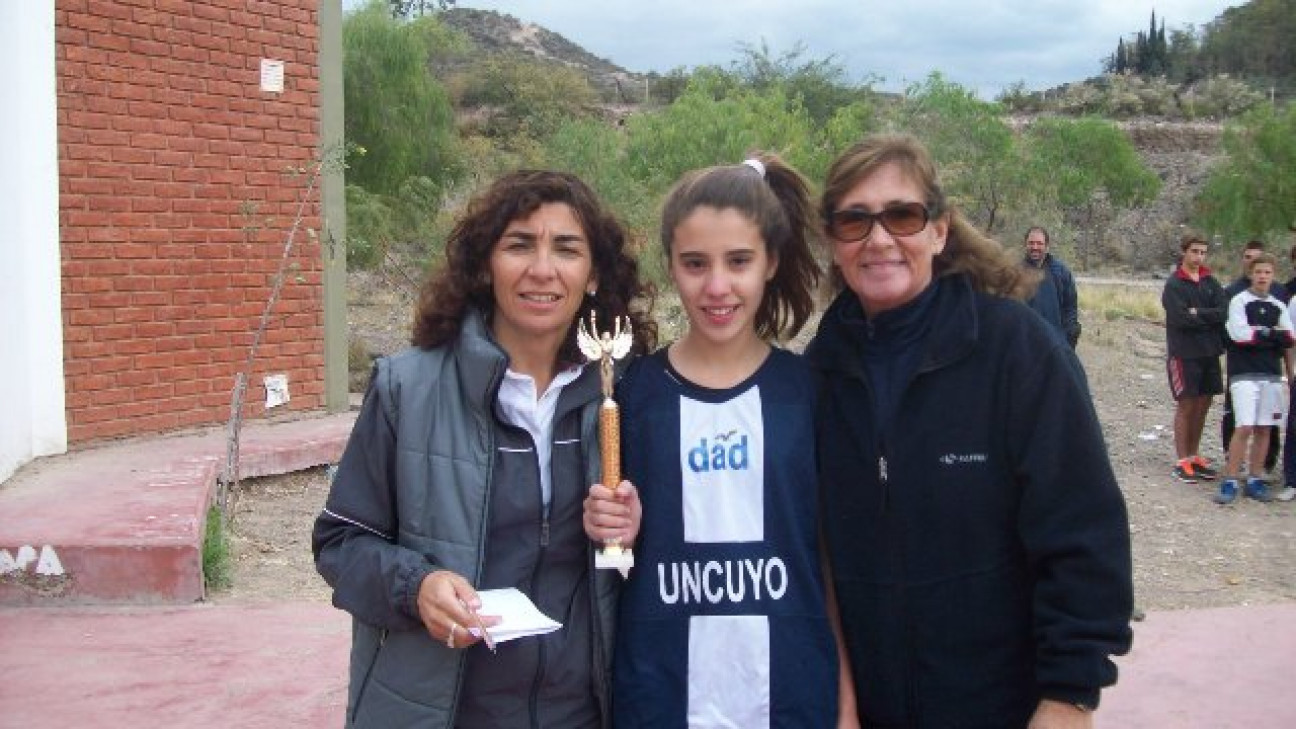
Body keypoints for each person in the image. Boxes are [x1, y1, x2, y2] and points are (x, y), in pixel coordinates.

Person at [806, 133, 1133, 727]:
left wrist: (1069, 696)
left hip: (1008, 706)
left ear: (939, 229)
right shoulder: (816, 378)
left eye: (901, 215)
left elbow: (1083, 530)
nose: (879, 239)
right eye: (855, 221)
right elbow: (813, 560)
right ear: (833, 242)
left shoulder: (1017, 351)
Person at [312, 170, 657, 728]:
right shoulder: (409, 389)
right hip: (443, 711)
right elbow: (340, 543)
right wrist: (415, 587)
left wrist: (640, 529)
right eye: (519, 245)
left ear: (592, 274)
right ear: (485, 266)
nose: (542, 269)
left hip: (584, 712)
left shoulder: (627, 395)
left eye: (566, 249)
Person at [584, 155, 853, 727]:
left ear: (771, 262)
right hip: (660, 696)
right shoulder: (633, 394)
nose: (717, 286)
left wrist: (846, 704)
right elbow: (612, 550)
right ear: (672, 267)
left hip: (791, 697)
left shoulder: (807, 392)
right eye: (695, 264)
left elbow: (831, 561)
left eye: (739, 262)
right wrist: (613, 529)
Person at [1215, 252, 1295, 504]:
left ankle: (1255, 478)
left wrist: (1262, 334)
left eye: (1267, 272)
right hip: (1244, 373)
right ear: (1251, 274)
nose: (1262, 276)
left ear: (1273, 275)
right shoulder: (1239, 301)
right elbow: (1240, 334)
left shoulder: (1279, 305)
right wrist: (1270, 335)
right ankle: (1230, 479)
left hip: (1271, 374)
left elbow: (1289, 337)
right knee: (1244, 426)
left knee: (1264, 428)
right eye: (1258, 272)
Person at [1162, 234, 1230, 484]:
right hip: (1184, 353)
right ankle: (1181, 461)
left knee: (1203, 405)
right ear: (1184, 252)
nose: (1198, 257)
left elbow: (1223, 312)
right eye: (1194, 251)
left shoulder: (1210, 282)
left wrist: (1198, 313)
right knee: (1186, 405)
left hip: (1210, 352)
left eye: (1203, 252)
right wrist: (1207, 317)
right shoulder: (1174, 285)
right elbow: (1180, 319)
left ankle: (1193, 455)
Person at [1022, 226, 1081, 348]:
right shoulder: (1016, 272)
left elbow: (1070, 308)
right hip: (1025, 345)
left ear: (1047, 246)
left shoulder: (1061, 272)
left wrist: (1068, 339)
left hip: (1056, 345)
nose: (1035, 247)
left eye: (1039, 243)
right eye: (1031, 243)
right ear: (1025, 245)